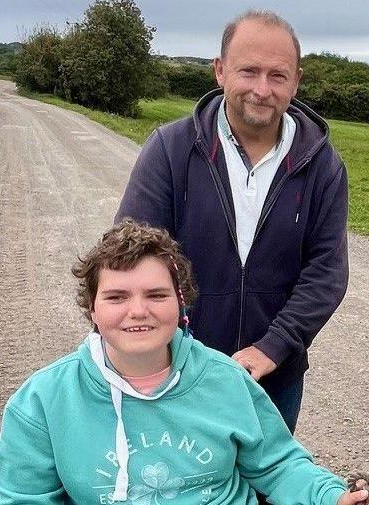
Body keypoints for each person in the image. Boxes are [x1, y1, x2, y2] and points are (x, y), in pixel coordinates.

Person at [0, 220, 369, 505]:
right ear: (92, 308)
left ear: (180, 302)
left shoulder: (227, 381)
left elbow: (279, 466)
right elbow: (19, 497)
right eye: (117, 297)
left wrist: (330, 497)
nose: (138, 311)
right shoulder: (42, 400)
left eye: (156, 295)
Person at [115, 10, 348, 434]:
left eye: (278, 76)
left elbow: (326, 274)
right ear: (220, 71)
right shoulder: (170, 149)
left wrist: (271, 348)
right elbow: (130, 256)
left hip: (272, 379)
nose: (262, 90)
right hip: (176, 371)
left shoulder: (324, 167)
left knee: (266, 488)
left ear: (296, 82)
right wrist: (171, 347)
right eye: (249, 71)